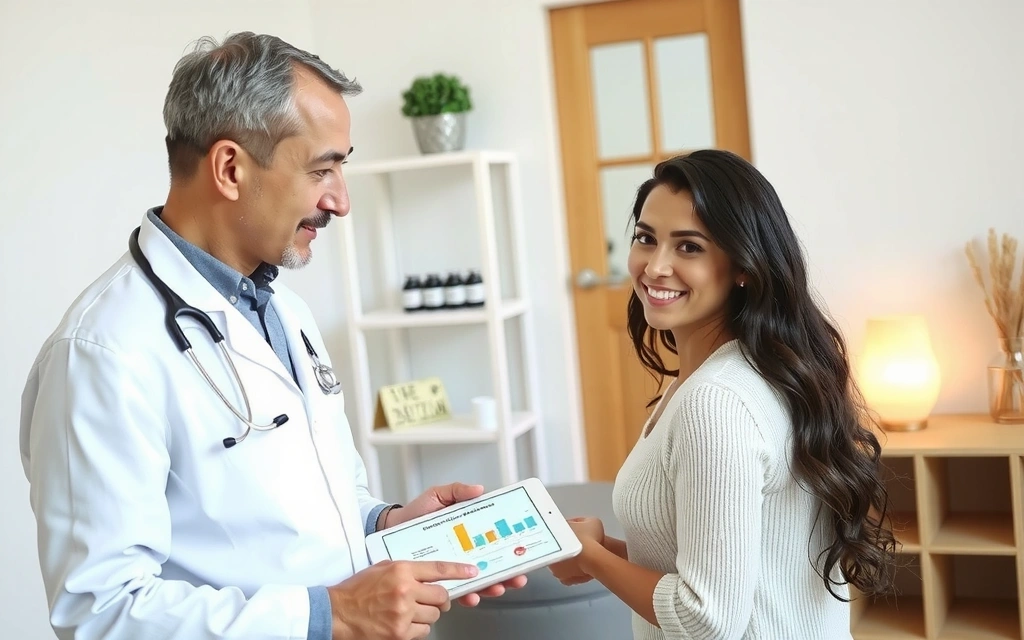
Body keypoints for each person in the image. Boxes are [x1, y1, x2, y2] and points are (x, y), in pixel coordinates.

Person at [19, 32, 524, 640]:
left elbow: (310, 502)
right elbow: (99, 612)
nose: (339, 201)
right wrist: (330, 615)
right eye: (322, 169)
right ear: (230, 168)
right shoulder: (101, 353)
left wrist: (385, 524)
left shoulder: (282, 307)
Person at [548, 150, 896, 639]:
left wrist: (591, 557)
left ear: (743, 266)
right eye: (646, 239)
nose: (655, 267)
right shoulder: (748, 374)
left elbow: (705, 618)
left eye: (689, 247)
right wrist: (603, 551)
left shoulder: (716, 403)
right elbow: (728, 569)